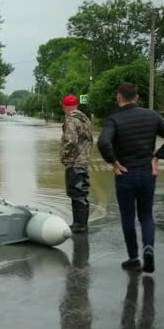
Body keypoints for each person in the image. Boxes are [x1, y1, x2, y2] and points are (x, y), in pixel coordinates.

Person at [98, 83, 164, 273]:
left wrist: (113, 162)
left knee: (128, 217)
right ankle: (149, 248)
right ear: (136, 97)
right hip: (147, 172)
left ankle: (133, 258)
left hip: (125, 174)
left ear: (119, 97)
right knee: (146, 215)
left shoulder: (114, 119)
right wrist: (157, 157)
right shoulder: (152, 116)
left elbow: (103, 142)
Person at [61, 94, 94, 233]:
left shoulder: (71, 120)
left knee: (76, 193)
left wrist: (64, 155)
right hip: (84, 161)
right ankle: (80, 224)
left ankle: (79, 225)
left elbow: (71, 141)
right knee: (81, 192)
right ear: (77, 105)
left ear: (64, 106)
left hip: (74, 162)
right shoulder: (85, 119)